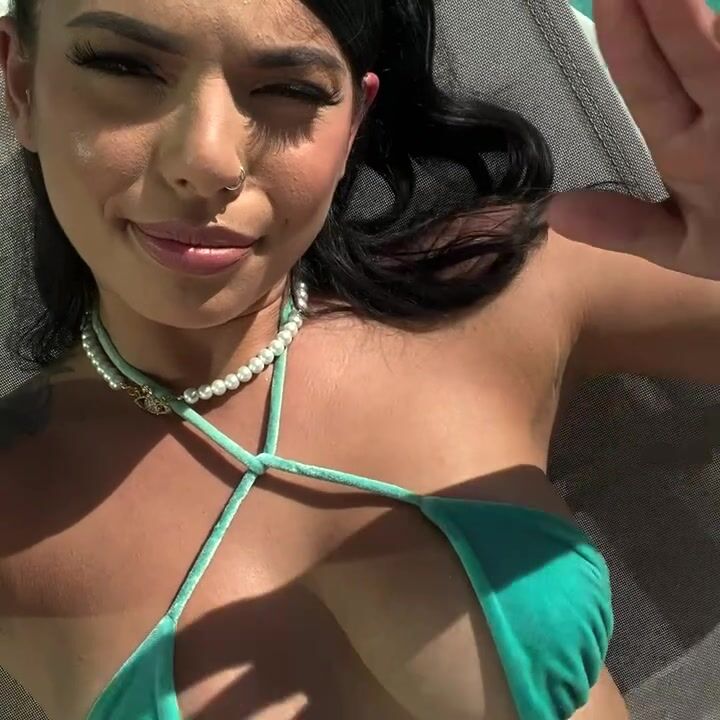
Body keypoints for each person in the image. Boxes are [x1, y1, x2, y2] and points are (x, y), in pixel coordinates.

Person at [0, 0, 718, 718]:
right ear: (21, 83)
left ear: (353, 124)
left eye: (291, 89)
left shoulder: (494, 288)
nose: (208, 161)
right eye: (124, 67)